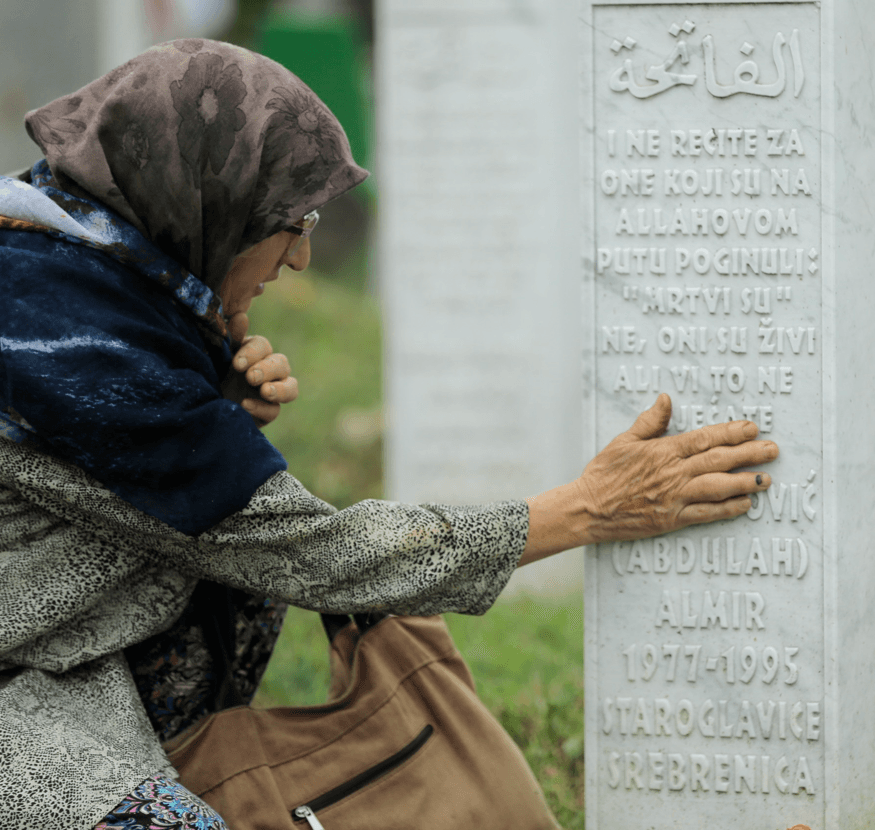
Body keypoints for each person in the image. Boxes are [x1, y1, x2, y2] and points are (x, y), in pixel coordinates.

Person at [0, 40, 778, 830]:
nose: (301, 257)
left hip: (59, 660)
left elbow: (134, 485)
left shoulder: (68, 265)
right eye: (291, 222)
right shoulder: (64, 343)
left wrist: (211, 402)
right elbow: (308, 550)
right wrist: (586, 509)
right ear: (209, 198)